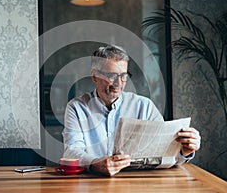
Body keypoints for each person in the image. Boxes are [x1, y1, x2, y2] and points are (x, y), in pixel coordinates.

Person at [62, 45, 201, 176]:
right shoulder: (77, 108)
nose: (118, 83)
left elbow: (164, 155)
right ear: (94, 76)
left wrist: (184, 151)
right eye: (111, 76)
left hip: (140, 183)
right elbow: (72, 152)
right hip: (93, 183)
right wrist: (95, 164)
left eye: (123, 76)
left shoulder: (144, 106)